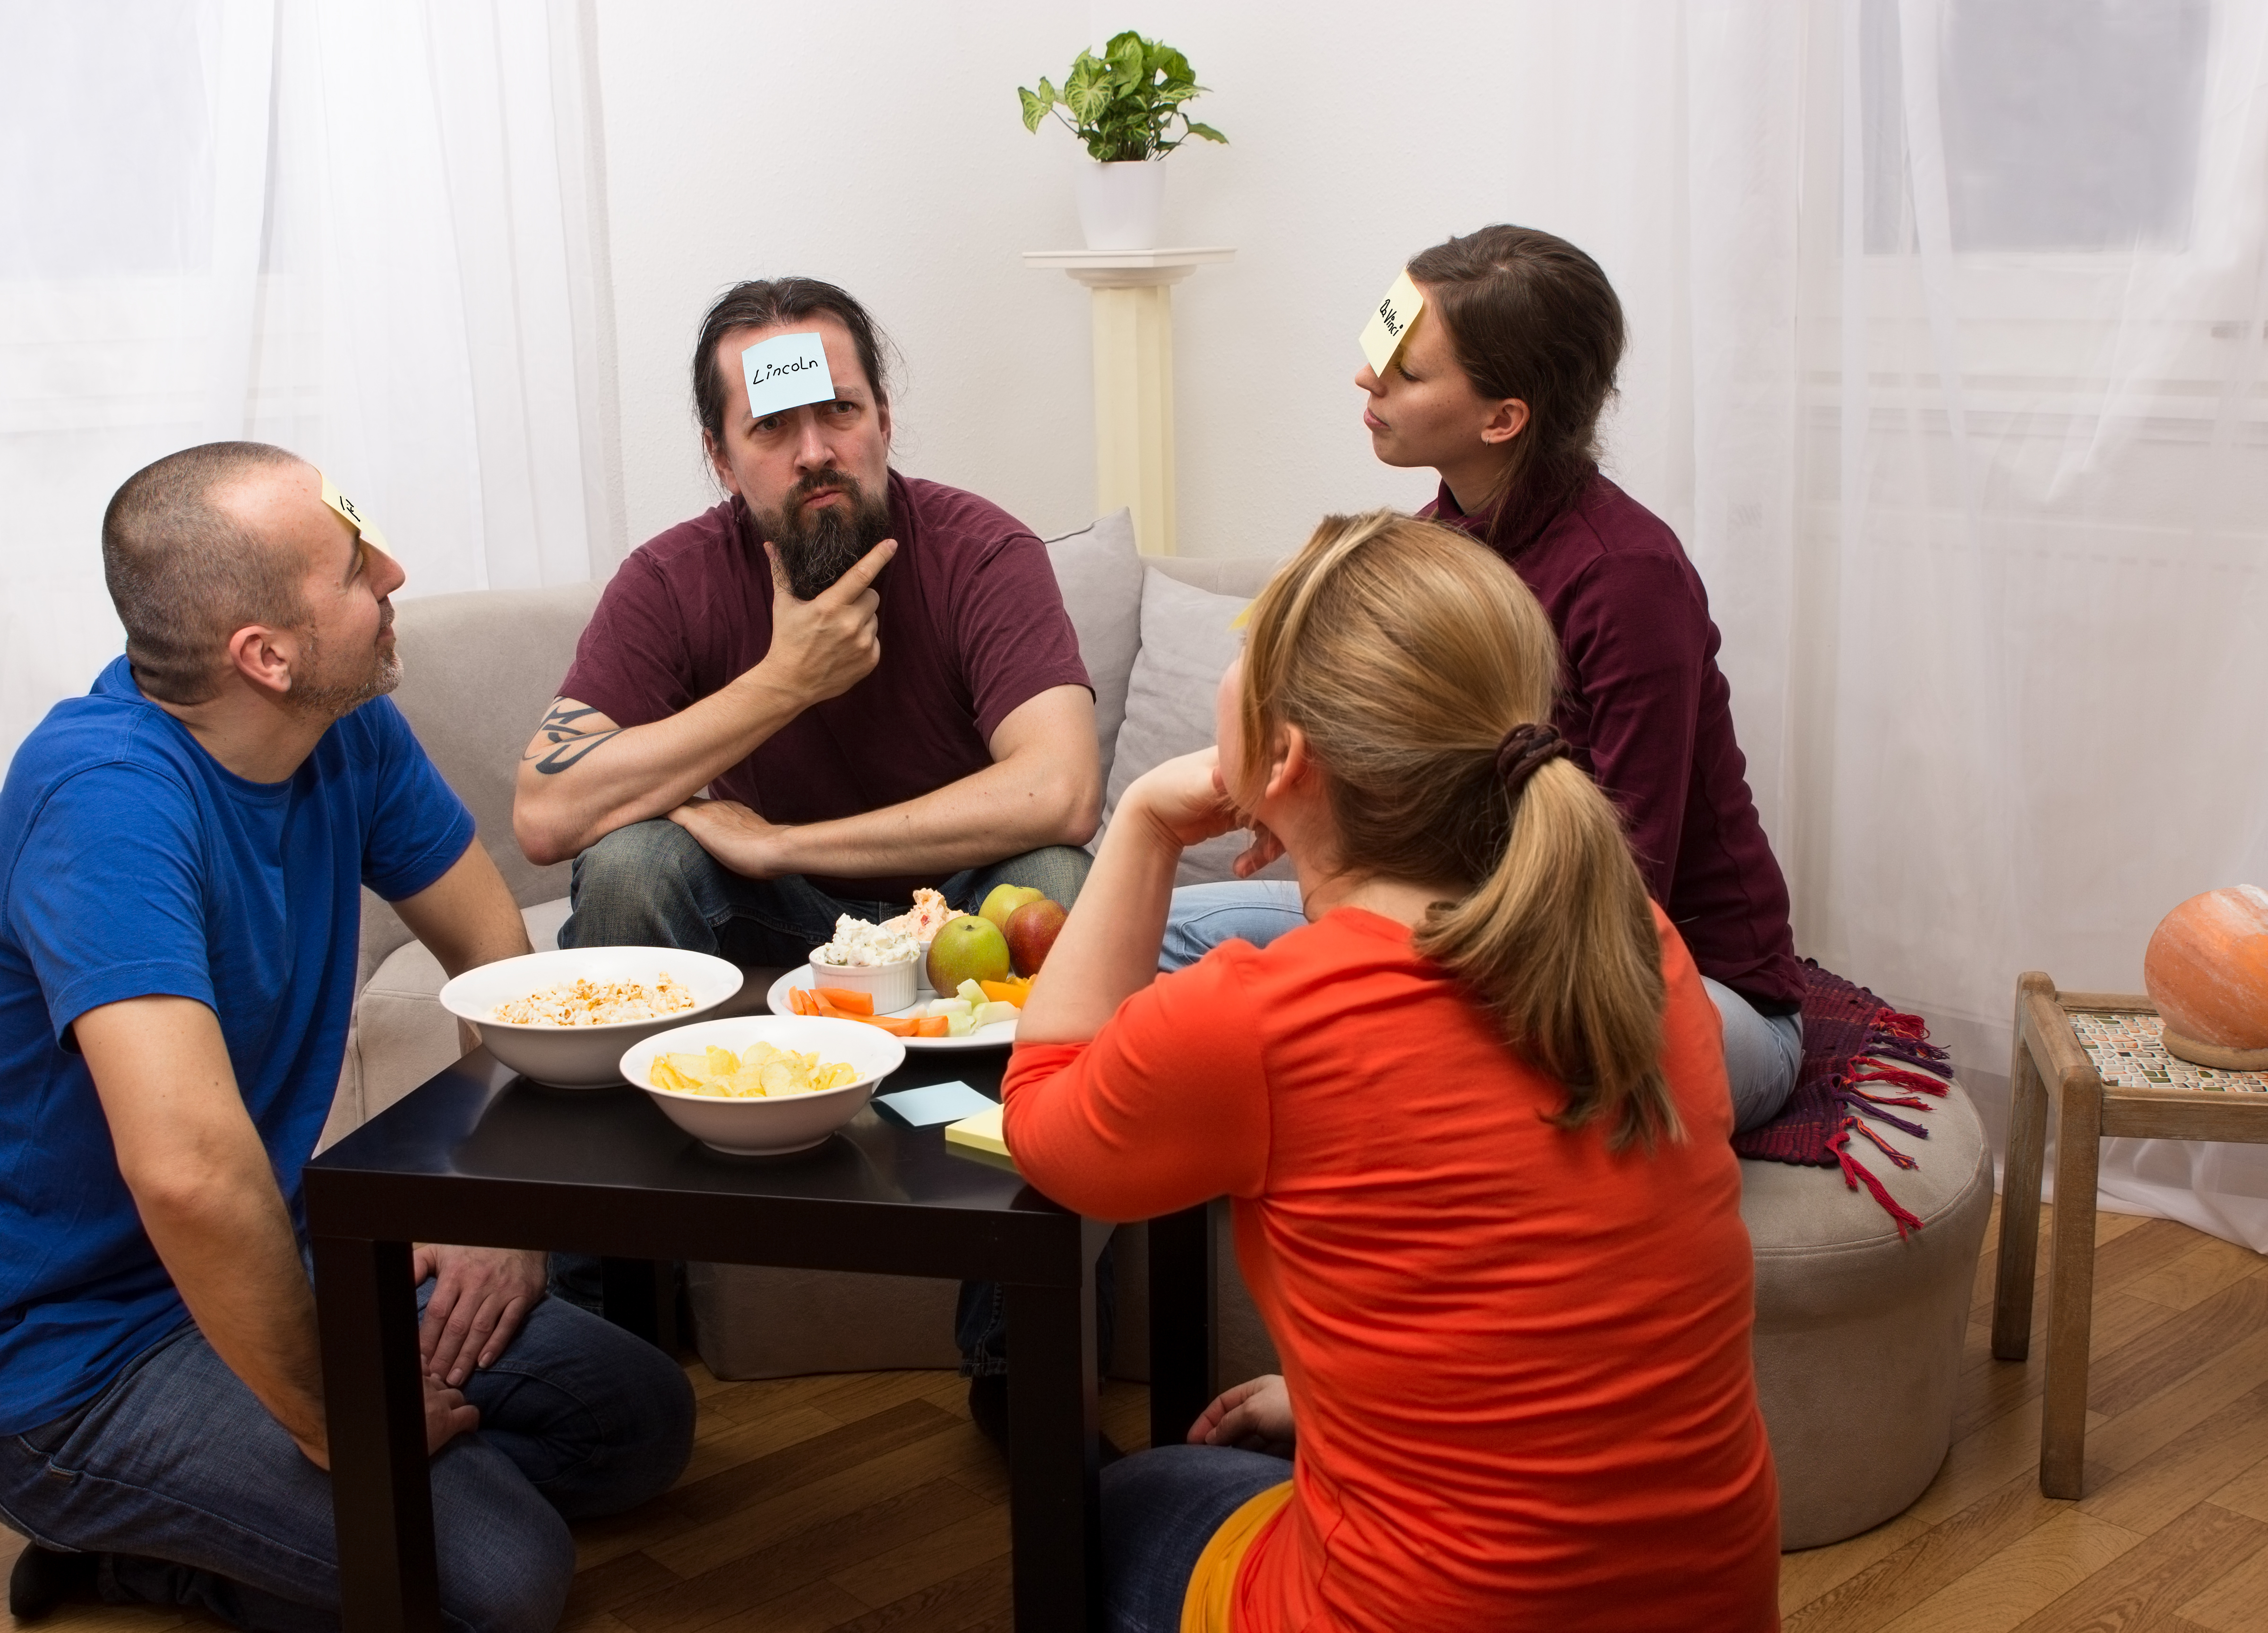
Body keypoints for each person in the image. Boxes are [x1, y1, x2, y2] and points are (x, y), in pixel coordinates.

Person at [0, 444, 695, 1631]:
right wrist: (339, 1415)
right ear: (265, 657)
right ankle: (120, 1536)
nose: (392, 572)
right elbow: (188, 1175)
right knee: (502, 1579)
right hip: (73, 1367)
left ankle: (276, 1519)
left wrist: (492, 1208)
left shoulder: (345, 729)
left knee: (636, 1422)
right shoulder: (105, 803)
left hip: (274, 1259)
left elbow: (504, 979)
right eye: (352, 567)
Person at [1008, 511, 1780, 1632]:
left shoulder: (1263, 1017)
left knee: (1124, 1499)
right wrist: (1339, 1407)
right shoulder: (1644, 947)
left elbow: (1046, 1120)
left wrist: (1142, 825)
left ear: (1286, 758)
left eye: (1242, 651)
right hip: (1714, 1606)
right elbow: (1524, 1277)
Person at [1165, 225, 1805, 1132]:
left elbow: (1628, 902)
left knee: (1403, 1042)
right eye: (1379, 351)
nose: (1367, 380)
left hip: (1672, 984)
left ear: (1503, 419)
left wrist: (1379, 947)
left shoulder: (1629, 578)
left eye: (1408, 371)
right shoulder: (1433, 545)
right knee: (1167, 935)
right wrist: (1300, 814)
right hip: (1470, 926)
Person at [512, 274, 1101, 964]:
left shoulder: (984, 553)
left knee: (1055, 880)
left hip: (955, 906)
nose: (815, 452)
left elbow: (1062, 792)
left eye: (840, 411)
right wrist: (786, 681)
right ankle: (636, 1078)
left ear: (883, 419)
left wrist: (780, 844)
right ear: (721, 459)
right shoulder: (671, 580)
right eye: (772, 426)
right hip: (769, 913)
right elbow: (546, 815)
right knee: (630, 865)